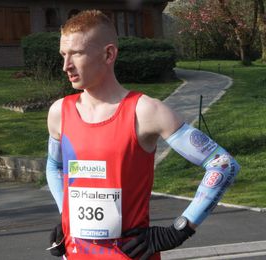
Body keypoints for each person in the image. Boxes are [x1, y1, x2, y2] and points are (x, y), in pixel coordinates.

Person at [46, 10, 240, 260]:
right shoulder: (59, 112)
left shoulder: (145, 111)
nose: (66, 66)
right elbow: (54, 166)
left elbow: (223, 164)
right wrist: (67, 216)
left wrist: (179, 230)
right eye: (63, 54)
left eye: (77, 54)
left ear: (109, 54)